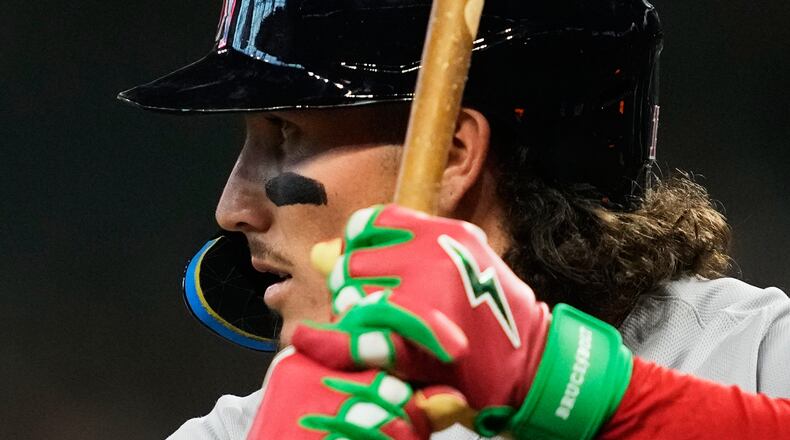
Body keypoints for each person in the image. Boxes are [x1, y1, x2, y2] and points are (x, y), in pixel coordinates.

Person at [119, 0, 790, 438]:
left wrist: (569, 388)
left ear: (450, 156)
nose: (230, 207)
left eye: (285, 135)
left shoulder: (747, 354)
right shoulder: (245, 431)